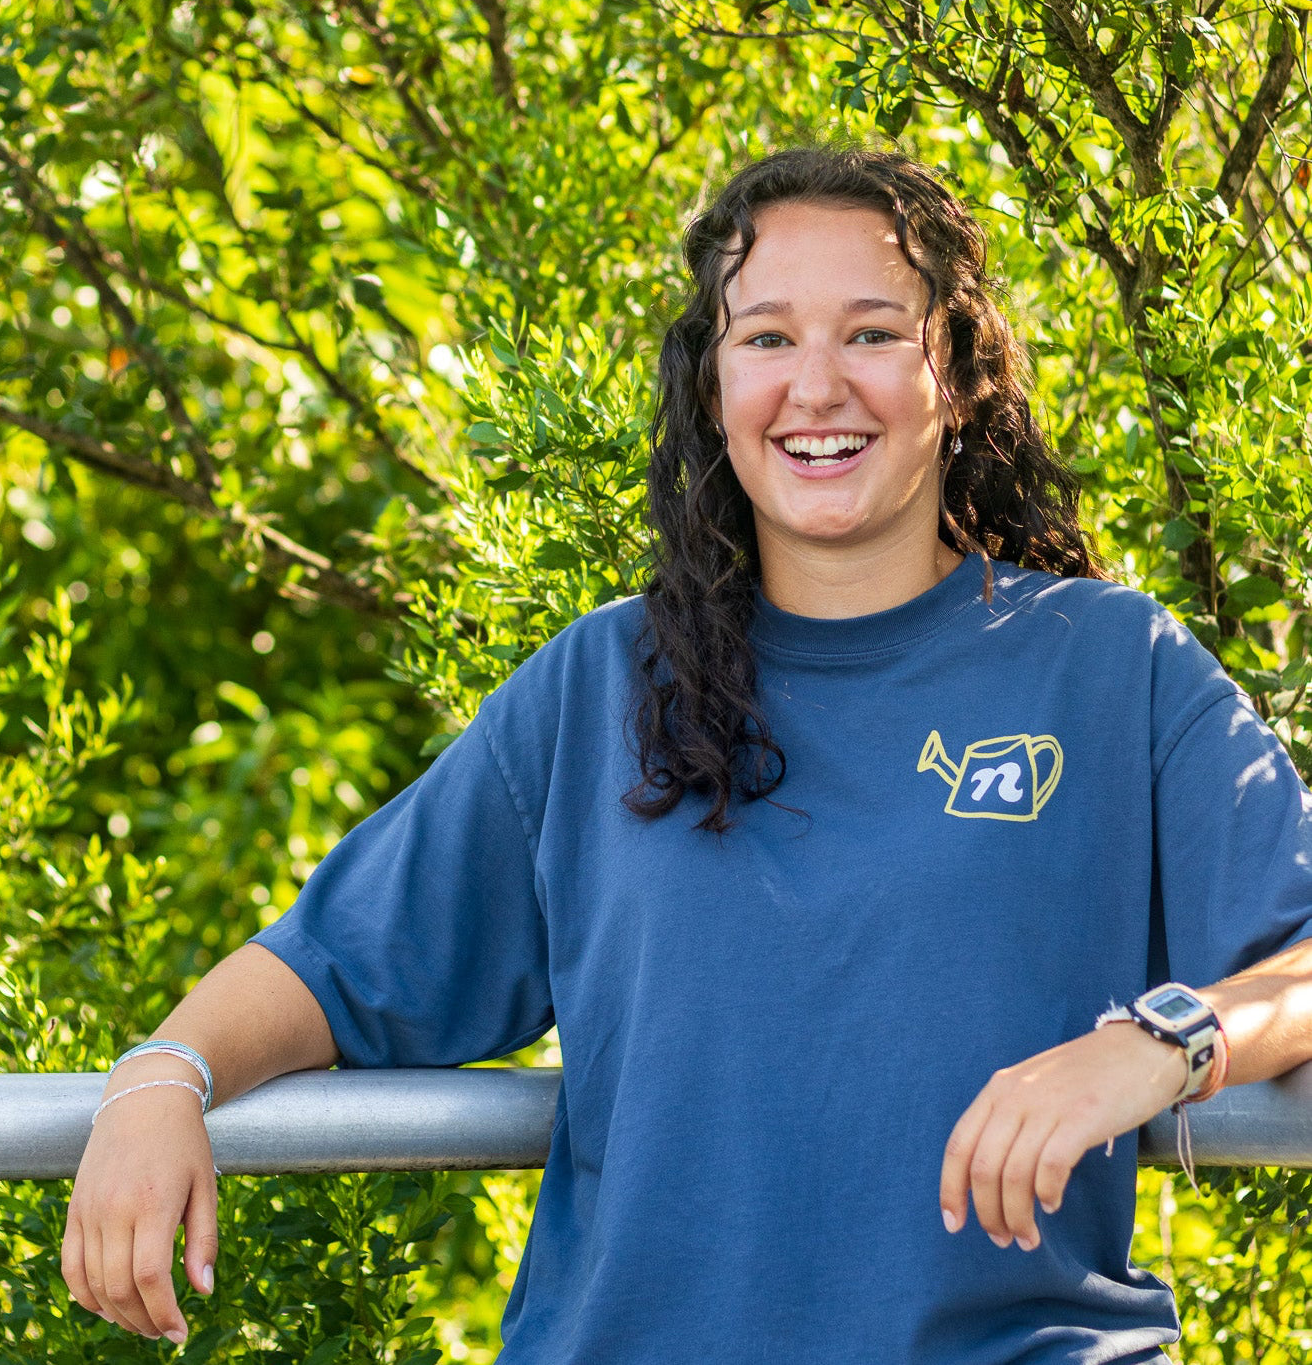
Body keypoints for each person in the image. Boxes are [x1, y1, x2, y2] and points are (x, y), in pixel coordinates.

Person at [63, 146, 1312, 1362]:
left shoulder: (1109, 667)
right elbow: (334, 964)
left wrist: (1158, 1044)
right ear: (713, 388)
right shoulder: (602, 685)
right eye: (766, 339)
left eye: (873, 333)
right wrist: (162, 1079)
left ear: (963, 374)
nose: (816, 386)